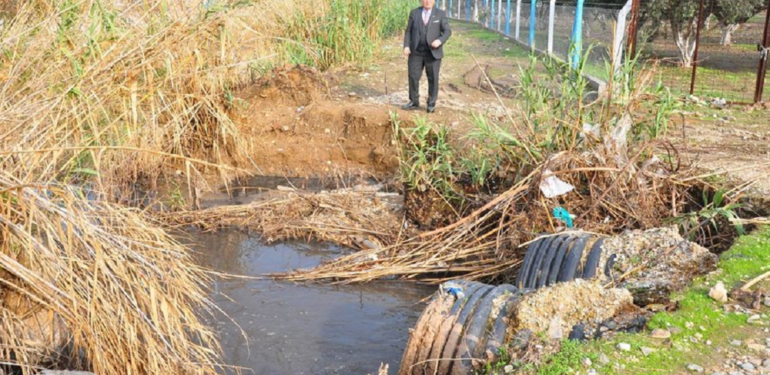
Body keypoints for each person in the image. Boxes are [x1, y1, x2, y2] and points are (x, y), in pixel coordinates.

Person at [401, 0, 451, 113]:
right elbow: (408, 31)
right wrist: (406, 46)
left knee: (433, 78)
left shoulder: (440, 14)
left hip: (432, 52)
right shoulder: (414, 13)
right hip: (416, 52)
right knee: (413, 76)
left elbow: (447, 31)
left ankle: (431, 103)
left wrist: (439, 40)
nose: (427, 1)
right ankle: (414, 101)